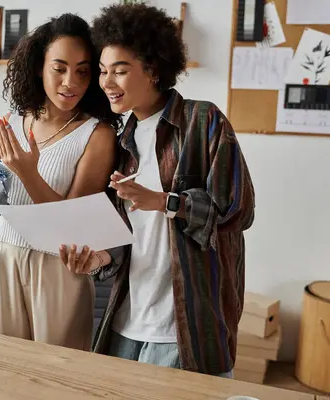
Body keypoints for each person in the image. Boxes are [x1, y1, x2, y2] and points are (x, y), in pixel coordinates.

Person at [59, 3, 255, 377]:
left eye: (120, 70)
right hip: (126, 319)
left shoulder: (203, 121)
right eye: (102, 71)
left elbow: (238, 210)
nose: (106, 82)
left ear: (152, 70)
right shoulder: (121, 141)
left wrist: (165, 202)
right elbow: (126, 240)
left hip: (184, 327)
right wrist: (98, 259)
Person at [0, 13, 122, 351]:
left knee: (58, 376)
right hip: (2, 255)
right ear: (38, 68)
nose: (70, 81)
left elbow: (74, 225)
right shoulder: (15, 123)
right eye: (59, 68)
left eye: (82, 71)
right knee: (2, 372)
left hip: (58, 269)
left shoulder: (98, 134)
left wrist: (29, 173)